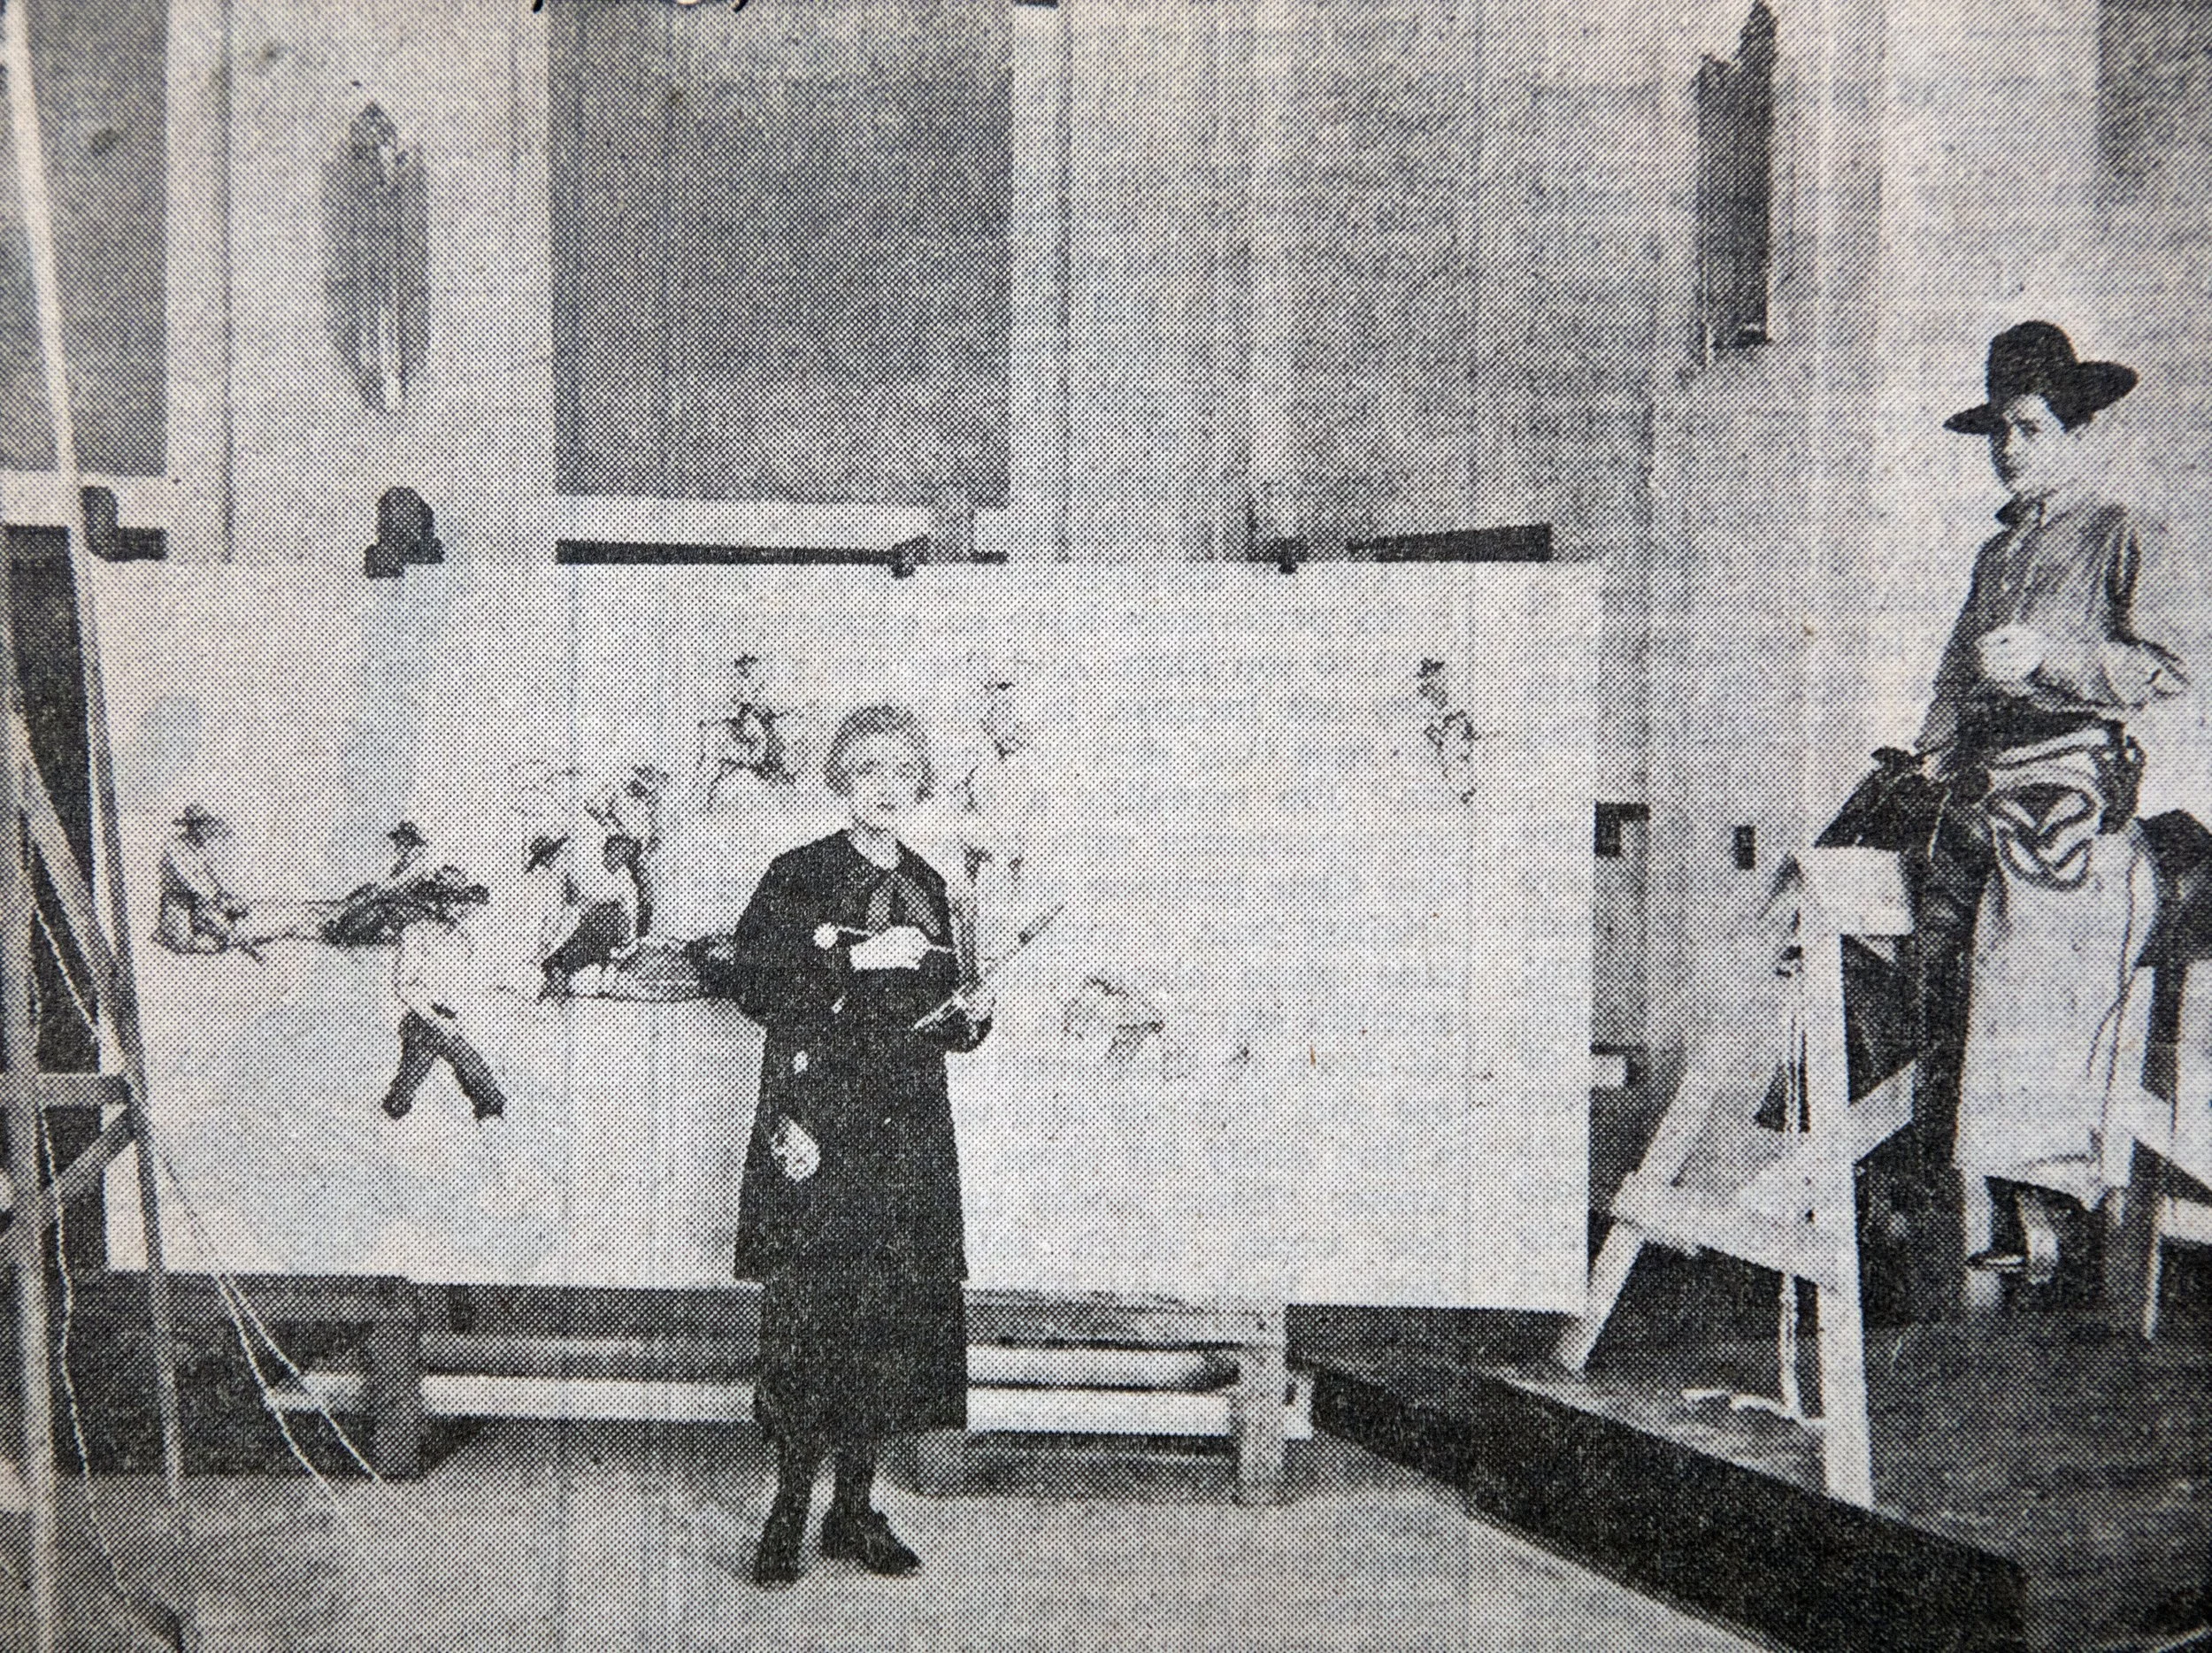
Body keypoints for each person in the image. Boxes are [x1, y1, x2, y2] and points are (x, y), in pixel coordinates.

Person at [1822, 321, 2194, 1300]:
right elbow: (1953, 677)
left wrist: (2054, 661)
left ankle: (2046, 1181)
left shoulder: (2121, 530)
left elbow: (2166, 667)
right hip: (1981, 761)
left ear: (2076, 429)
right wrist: (1928, 752)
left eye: (2028, 427)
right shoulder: (1995, 557)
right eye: (1998, 430)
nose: (2009, 448)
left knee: (2031, 904)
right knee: (1859, 858)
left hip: (2074, 756)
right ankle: (1888, 1161)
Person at [723, 704, 993, 1589]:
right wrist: (852, 961)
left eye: (902, 769)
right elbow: (752, 977)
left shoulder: (929, 881)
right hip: (819, 1117)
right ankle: (788, 1507)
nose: (885, 783)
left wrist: (971, 1018)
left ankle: (853, 1508)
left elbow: (943, 1015)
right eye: (867, 767)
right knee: (812, 1316)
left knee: (887, 1314)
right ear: (841, 779)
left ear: (919, 784)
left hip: (906, 1128)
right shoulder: (799, 873)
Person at [382, 867, 507, 1122]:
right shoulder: (416, 932)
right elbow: (404, 985)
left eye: (462, 901)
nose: (458, 908)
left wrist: (460, 1016)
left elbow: (463, 983)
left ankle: (491, 1118)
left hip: (449, 1020)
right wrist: (434, 1017)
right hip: (422, 1021)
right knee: (410, 1081)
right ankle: (389, 1120)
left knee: (470, 1072)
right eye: (450, 900)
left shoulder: (463, 939)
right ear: (436, 901)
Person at [588, 763, 671, 936]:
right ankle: (608, 930)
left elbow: (657, 829)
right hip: (618, 843)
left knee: (647, 891)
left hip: (639, 848)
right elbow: (593, 805)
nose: (648, 787)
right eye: (646, 779)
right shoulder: (617, 789)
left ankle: (642, 935)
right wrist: (612, 828)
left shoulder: (652, 800)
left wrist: (652, 842)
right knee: (614, 887)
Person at [154, 805, 247, 954]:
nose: (206, 830)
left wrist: (224, 895)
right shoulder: (176, 846)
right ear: (193, 826)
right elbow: (191, 878)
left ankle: (223, 933)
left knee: (224, 931)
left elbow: (210, 876)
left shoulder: (201, 848)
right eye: (202, 826)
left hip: (199, 900)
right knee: (181, 945)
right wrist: (216, 898)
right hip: (178, 901)